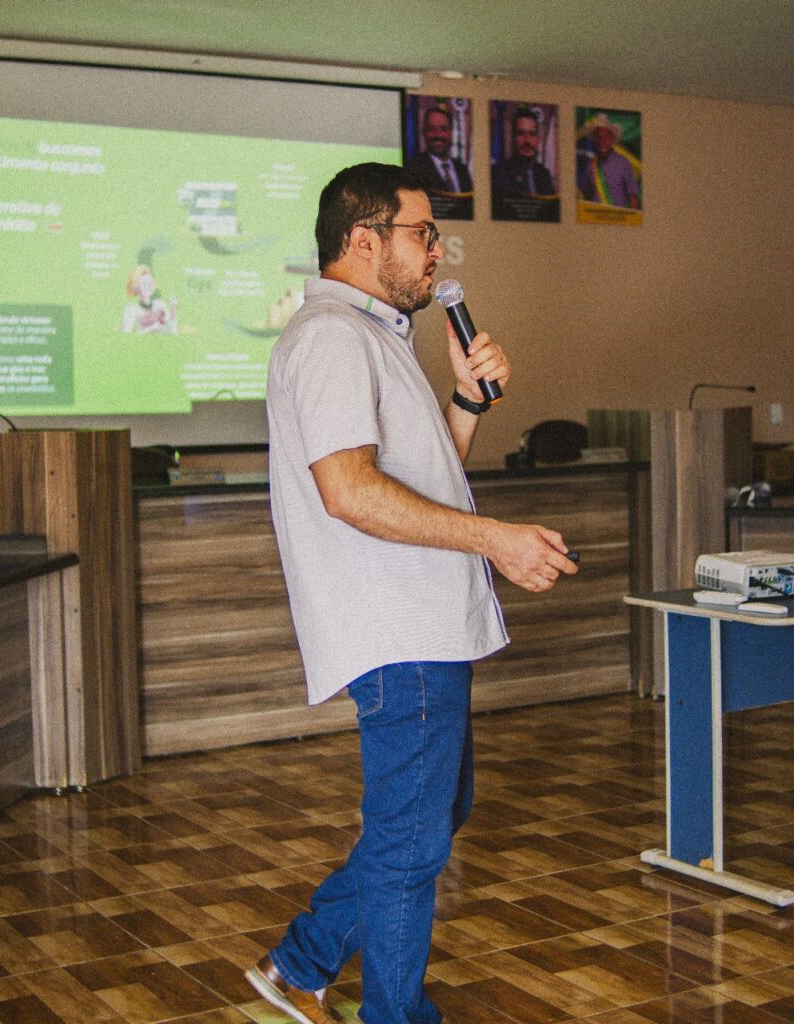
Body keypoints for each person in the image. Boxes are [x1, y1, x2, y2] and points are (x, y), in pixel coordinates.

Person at [245, 162, 577, 1024]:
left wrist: (466, 402)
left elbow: (423, 482)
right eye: (422, 233)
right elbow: (350, 493)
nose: (436, 251)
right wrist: (496, 540)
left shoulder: (373, 335)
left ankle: (301, 962)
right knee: (409, 841)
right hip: (399, 627)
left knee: (430, 817)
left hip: (421, 622)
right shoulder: (331, 337)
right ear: (364, 240)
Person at [405, 106, 473, 219]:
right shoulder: (413, 168)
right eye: (432, 129)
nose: (438, 135)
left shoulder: (462, 169)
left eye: (444, 129)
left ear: (451, 132)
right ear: (423, 132)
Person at [491, 106, 556, 198]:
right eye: (521, 133)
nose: (527, 141)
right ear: (513, 137)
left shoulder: (544, 175)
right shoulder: (499, 172)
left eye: (532, 134)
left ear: (538, 139)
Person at [579, 112, 640, 209]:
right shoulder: (590, 165)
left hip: (617, 217)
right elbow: (586, 197)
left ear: (612, 139)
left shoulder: (623, 163)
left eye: (606, 137)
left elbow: (633, 199)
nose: (602, 141)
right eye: (599, 137)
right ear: (595, 140)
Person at [122, 265, 177, 334]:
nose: (147, 287)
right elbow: (126, 334)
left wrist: (173, 309)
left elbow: (172, 331)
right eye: (143, 284)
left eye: (150, 283)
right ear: (136, 287)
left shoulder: (160, 305)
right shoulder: (131, 309)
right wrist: (150, 329)